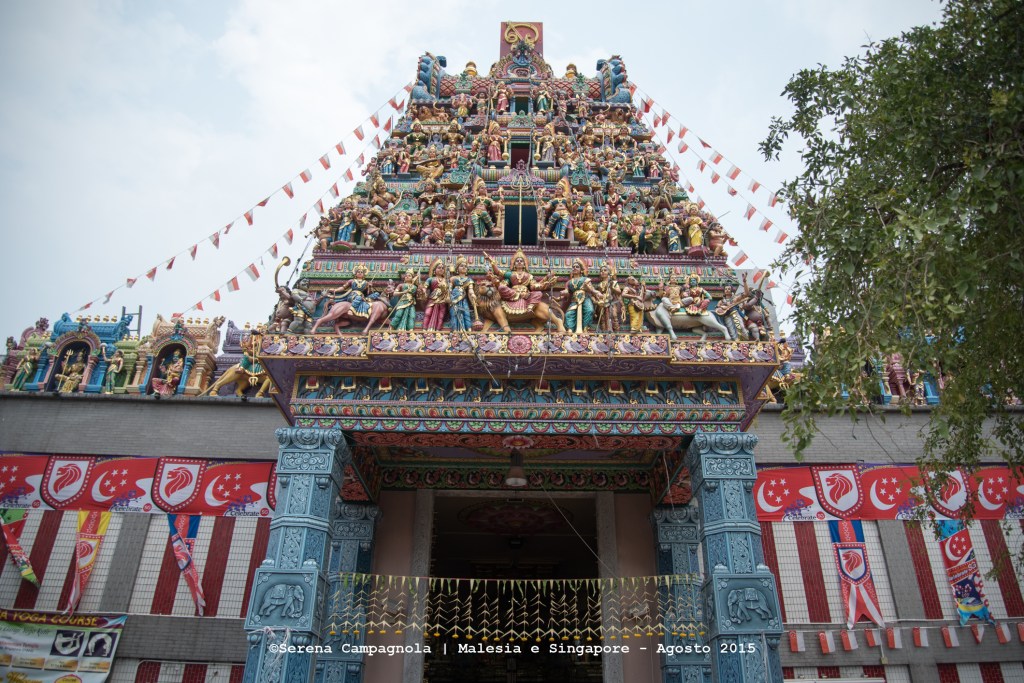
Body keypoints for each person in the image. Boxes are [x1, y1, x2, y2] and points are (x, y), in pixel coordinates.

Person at [483, 249, 555, 316]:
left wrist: (545, 283)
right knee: (501, 287)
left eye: (521, 261)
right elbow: (498, 272)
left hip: (526, 295)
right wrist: (491, 261)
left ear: (524, 264)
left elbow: (533, 286)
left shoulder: (529, 276)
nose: (519, 262)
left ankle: (530, 307)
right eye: (517, 261)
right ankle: (520, 297)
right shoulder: (511, 274)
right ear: (514, 264)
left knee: (538, 293)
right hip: (513, 294)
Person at [562, 259, 603, 333]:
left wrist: (597, 293)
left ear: (581, 270)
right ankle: (570, 329)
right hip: (574, 299)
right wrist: (562, 294)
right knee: (568, 314)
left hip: (585, 298)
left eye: (577, 267)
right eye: (573, 267)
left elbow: (592, 289)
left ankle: (585, 328)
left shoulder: (585, 279)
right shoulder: (569, 282)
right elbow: (567, 291)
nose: (574, 268)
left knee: (589, 310)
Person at [448, 256, 478, 331]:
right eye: (461, 266)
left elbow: (470, 289)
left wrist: (473, 294)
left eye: (465, 266)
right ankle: (455, 330)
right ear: (457, 268)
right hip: (454, 297)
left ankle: (468, 330)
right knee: (454, 313)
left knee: (466, 313)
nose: (464, 267)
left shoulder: (469, 280)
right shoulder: (453, 278)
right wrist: (449, 296)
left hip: (463, 298)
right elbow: (449, 289)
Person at [422, 258, 450, 330]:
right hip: (433, 298)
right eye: (439, 268)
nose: (441, 269)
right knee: (428, 313)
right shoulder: (430, 279)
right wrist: (424, 291)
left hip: (442, 299)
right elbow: (425, 287)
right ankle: (424, 329)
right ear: (434, 270)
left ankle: (438, 330)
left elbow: (449, 290)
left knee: (441, 316)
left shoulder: (446, 280)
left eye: (442, 268)